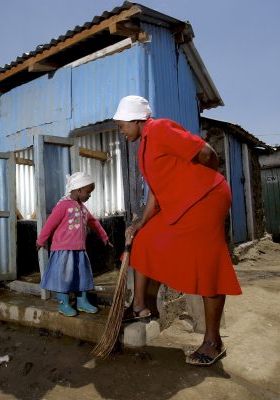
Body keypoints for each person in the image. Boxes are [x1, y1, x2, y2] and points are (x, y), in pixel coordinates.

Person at [113, 95, 242, 366]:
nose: (121, 131)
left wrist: (201, 180)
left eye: (122, 124)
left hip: (207, 198)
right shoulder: (143, 147)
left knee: (207, 266)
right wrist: (140, 223)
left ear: (136, 119)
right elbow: (156, 194)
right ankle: (140, 307)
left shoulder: (158, 128)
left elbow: (206, 153)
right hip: (183, 204)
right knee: (144, 238)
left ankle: (213, 342)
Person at [36, 172, 113, 317]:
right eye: (88, 192)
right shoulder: (63, 206)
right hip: (63, 250)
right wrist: (41, 240)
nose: (89, 196)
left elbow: (94, 222)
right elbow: (50, 224)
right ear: (78, 190)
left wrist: (104, 237)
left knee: (82, 275)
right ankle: (64, 304)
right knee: (64, 277)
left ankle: (82, 302)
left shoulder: (83, 208)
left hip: (79, 250)